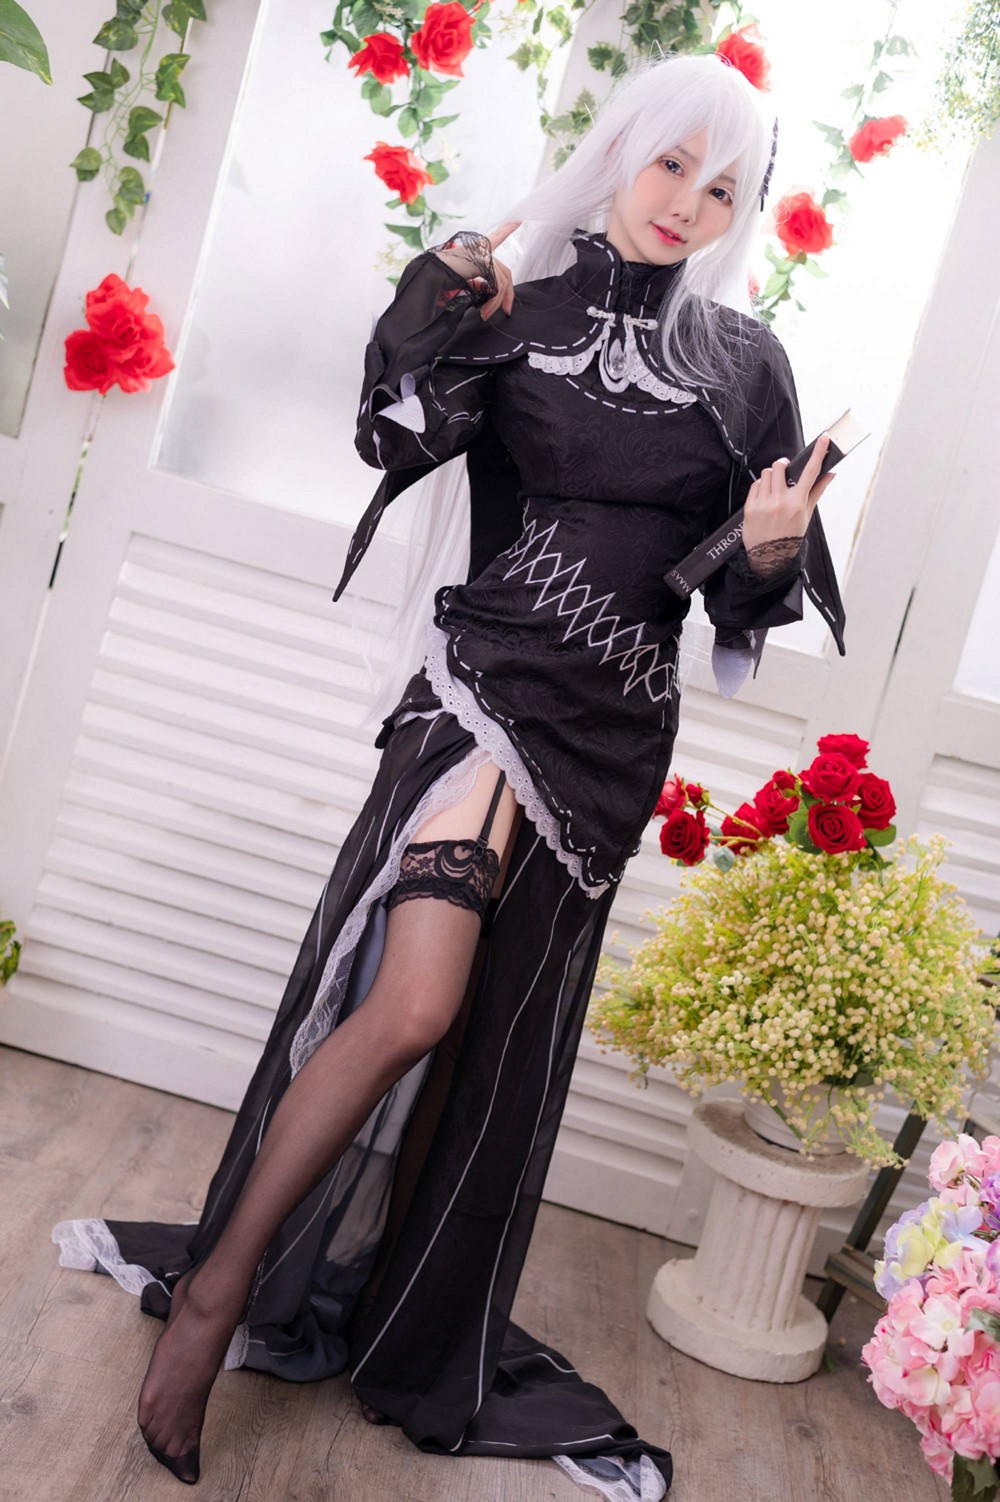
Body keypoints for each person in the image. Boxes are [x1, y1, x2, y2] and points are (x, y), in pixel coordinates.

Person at [51, 50, 845, 1500]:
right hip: (483, 683)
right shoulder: (515, 306)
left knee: (486, 1053)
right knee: (414, 1005)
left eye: (725, 188)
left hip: (614, 732)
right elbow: (397, 440)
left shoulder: (748, 367)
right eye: (673, 162)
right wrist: (431, 309)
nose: (690, 201)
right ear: (622, 150)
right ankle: (219, 1294)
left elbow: (739, 601)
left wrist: (771, 550)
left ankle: (399, 1322)